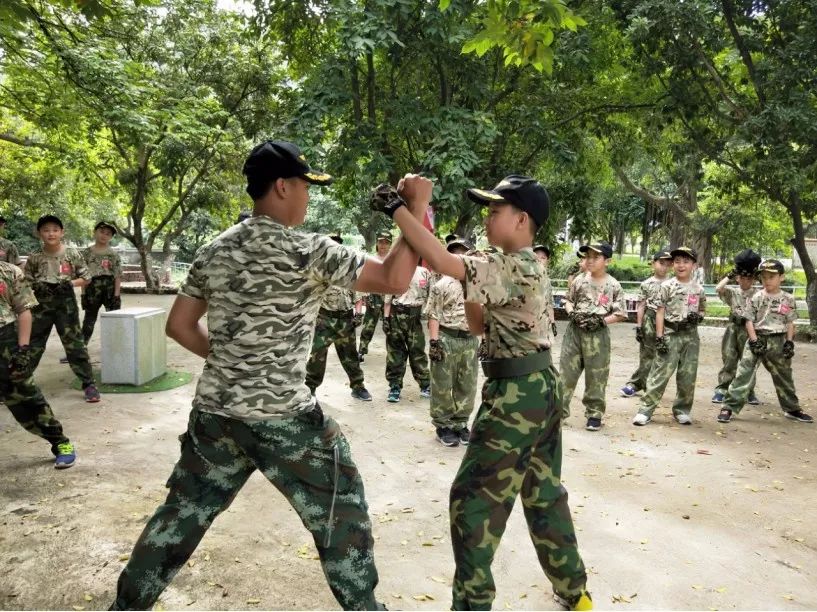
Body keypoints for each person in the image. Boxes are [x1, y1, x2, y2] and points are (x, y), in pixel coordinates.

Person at [110, 140, 431, 610]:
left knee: (178, 518)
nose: (306, 197)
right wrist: (415, 206)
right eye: (304, 186)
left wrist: (231, 364)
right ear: (282, 186)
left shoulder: (214, 249)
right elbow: (394, 280)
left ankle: (126, 606)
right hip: (284, 418)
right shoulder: (309, 249)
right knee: (342, 516)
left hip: (215, 417)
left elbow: (178, 326)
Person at [373, 174, 591, 611]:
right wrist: (470, 282)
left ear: (522, 219)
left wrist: (398, 207)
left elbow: (436, 258)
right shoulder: (517, 265)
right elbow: (477, 325)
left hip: (515, 394)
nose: (487, 218)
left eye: (495, 211)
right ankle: (575, 592)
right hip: (537, 387)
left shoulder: (517, 265)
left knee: (472, 503)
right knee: (543, 493)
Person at [0, 260, 76, 469]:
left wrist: (23, 350)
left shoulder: (9, 271)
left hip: (5, 342)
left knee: (26, 396)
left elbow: (24, 310)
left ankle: (60, 443)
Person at [717, 259, 812, 424]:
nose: (767, 281)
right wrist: (753, 341)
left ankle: (792, 408)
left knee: (784, 375)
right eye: (764, 277)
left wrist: (789, 342)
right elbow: (748, 321)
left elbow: (790, 322)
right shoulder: (757, 297)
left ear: (781, 277)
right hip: (757, 337)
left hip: (778, 340)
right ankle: (729, 407)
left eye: (771, 277)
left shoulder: (788, 299)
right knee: (743, 372)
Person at [24, 215, 100, 403]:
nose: (51, 233)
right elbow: (26, 280)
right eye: (46, 230)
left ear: (62, 232)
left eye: (55, 229)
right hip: (41, 305)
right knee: (33, 344)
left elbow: (87, 277)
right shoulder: (35, 256)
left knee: (74, 344)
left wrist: (70, 284)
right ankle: (20, 385)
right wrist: (36, 285)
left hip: (65, 305)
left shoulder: (72, 253)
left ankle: (89, 384)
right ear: (39, 233)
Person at [632, 247, 706, 426]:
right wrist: (659, 337)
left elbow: (702, 310)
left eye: (686, 261)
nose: (681, 265)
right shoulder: (667, 286)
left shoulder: (698, 289)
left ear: (694, 265)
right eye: (678, 261)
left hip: (690, 336)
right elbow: (659, 312)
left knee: (687, 375)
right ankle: (645, 409)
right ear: (673, 264)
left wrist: (699, 317)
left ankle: (682, 409)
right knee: (660, 373)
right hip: (670, 333)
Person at [559, 242, 627, 431]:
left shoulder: (613, 285)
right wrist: (572, 313)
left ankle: (594, 413)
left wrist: (602, 321)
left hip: (597, 334)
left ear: (607, 261)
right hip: (575, 331)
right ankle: (558, 412)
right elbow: (568, 301)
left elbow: (621, 313)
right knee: (566, 372)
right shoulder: (579, 280)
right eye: (587, 256)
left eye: (595, 257)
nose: (590, 260)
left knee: (596, 374)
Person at [305, 233, 373, 401]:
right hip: (324, 319)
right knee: (317, 355)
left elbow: (357, 296)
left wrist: (358, 313)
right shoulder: (319, 270)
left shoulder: (349, 271)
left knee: (350, 355)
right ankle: (309, 388)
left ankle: (358, 386)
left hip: (345, 319)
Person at [426, 237, 479, 447]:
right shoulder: (442, 284)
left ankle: (460, 423)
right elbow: (434, 315)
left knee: (467, 384)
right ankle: (443, 425)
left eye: (464, 252)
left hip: (469, 340)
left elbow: (481, 313)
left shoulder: (475, 284)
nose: (460, 256)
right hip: (447, 338)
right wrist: (434, 342)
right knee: (442, 383)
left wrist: (482, 341)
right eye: (455, 253)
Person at [711, 249, 761, 404]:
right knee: (729, 359)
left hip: (750, 330)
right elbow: (718, 289)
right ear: (738, 278)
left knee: (749, 361)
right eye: (742, 277)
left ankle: (748, 391)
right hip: (733, 328)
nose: (746, 281)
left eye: (749, 277)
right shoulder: (733, 292)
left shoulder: (758, 294)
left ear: (753, 278)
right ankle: (722, 389)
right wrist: (730, 275)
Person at [620, 250, 672, 397]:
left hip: (668, 321)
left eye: (668, 264)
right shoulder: (647, 284)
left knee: (664, 355)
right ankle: (636, 384)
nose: (664, 267)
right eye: (661, 263)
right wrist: (639, 326)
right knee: (647, 354)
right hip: (650, 319)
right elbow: (641, 305)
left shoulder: (673, 283)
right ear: (653, 263)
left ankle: (652, 385)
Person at [383, 263, 431, 403]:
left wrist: (430, 317)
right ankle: (395, 387)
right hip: (397, 315)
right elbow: (388, 298)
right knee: (395, 353)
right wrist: (386, 319)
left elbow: (430, 296)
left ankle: (425, 385)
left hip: (415, 317)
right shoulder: (395, 270)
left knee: (417, 351)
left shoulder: (424, 273)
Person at [80, 221, 123, 345]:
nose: (104, 235)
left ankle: (116, 347)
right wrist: (83, 294)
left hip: (109, 289)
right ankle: (81, 349)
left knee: (114, 319)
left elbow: (117, 275)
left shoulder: (113, 254)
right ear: (95, 232)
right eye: (101, 232)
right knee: (89, 319)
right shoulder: (86, 253)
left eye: (108, 234)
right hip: (92, 288)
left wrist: (116, 295)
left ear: (111, 237)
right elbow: (83, 274)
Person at [358, 231, 392, 362]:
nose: (383, 245)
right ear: (377, 243)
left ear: (390, 244)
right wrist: (364, 296)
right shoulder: (370, 259)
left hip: (389, 298)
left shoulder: (393, 261)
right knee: (368, 326)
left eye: (386, 242)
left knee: (391, 327)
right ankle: (361, 350)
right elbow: (364, 278)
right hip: (374, 297)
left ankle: (392, 353)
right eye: (381, 242)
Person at [533, 244, 558, 341]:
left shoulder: (547, 281)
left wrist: (553, 322)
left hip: (543, 325)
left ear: (547, 261)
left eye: (543, 258)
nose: (539, 260)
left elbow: (549, 304)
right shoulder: (521, 277)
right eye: (536, 257)